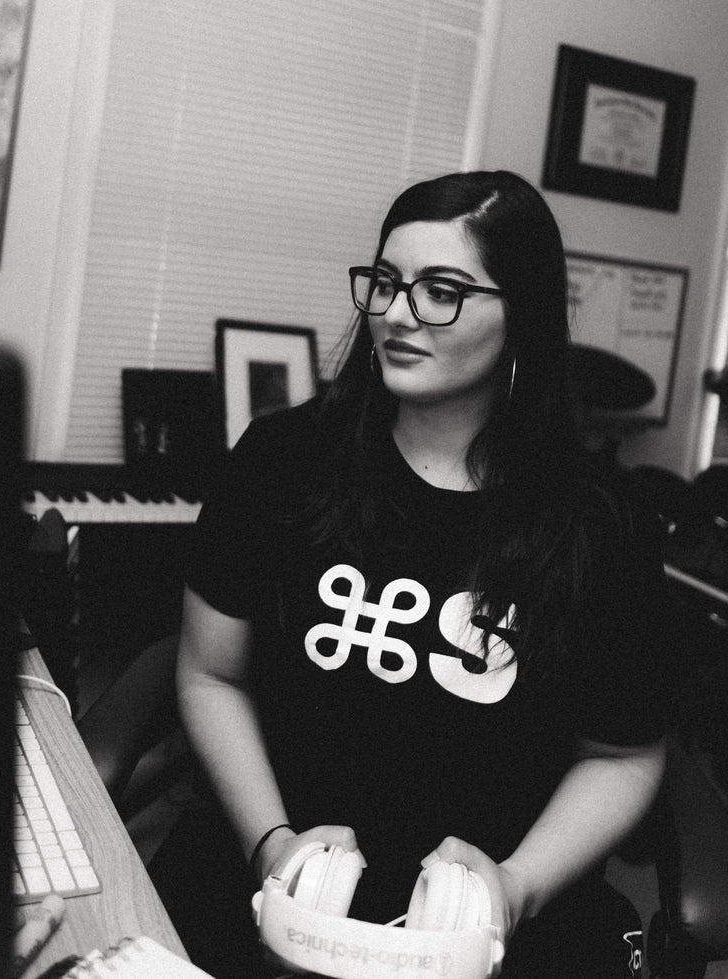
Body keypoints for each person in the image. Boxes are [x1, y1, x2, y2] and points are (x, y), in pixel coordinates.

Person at [148, 170, 666, 978]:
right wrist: (272, 848)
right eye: (386, 283)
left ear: (522, 312)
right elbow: (211, 674)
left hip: (487, 924)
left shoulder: (604, 522)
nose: (396, 312)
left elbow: (622, 754)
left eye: (441, 291)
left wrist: (516, 889)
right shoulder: (282, 461)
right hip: (270, 883)